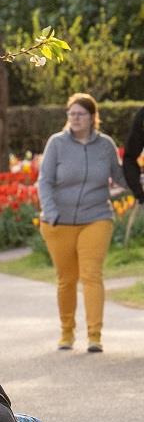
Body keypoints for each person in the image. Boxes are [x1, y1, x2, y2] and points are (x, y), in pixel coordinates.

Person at [38, 93, 126, 353]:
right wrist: (50, 211)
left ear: (92, 117)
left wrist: (137, 183)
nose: (75, 118)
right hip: (58, 221)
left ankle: (94, 336)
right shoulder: (57, 143)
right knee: (66, 279)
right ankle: (67, 333)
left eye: (81, 114)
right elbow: (45, 181)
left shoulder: (105, 145)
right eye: (71, 114)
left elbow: (120, 176)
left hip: (97, 216)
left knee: (91, 275)